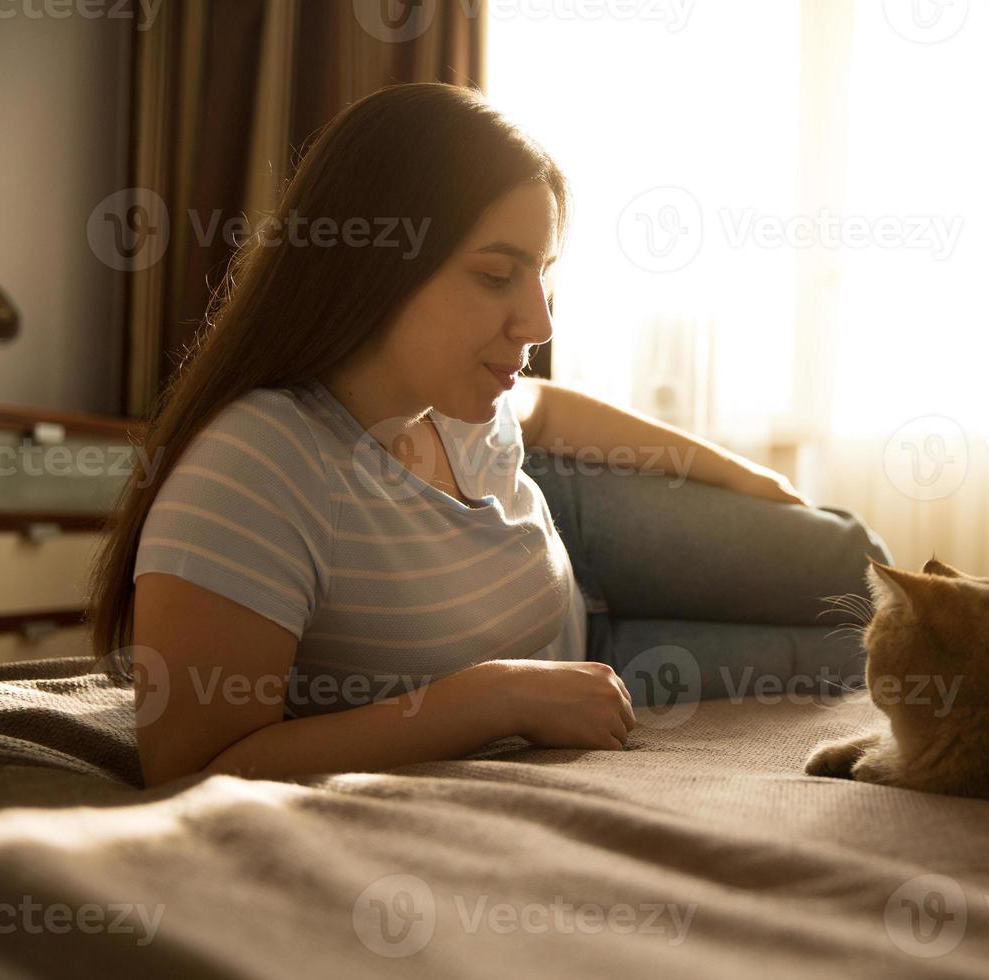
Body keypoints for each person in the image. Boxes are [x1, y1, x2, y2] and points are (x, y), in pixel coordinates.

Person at [87, 83, 891, 788]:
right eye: (495, 274)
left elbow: (544, 410)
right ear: (371, 263)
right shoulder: (256, 467)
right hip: (589, 658)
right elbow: (192, 767)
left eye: (541, 274)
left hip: (570, 535)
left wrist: (742, 477)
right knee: (862, 651)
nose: (538, 320)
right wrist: (493, 697)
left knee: (849, 553)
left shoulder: (455, 387)